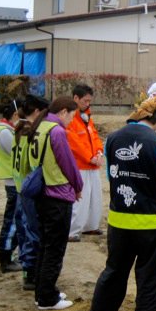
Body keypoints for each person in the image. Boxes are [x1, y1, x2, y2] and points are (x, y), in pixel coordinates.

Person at [83, 97, 156, 311]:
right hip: (150, 223)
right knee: (151, 280)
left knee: (113, 271)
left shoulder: (113, 138)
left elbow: (110, 176)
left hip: (118, 221)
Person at [30, 97, 83, 310]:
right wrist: (77, 185)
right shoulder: (57, 132)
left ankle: (43, 290)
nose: (72, 120)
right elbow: (68, 164)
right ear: (63, 111)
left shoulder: (40, 126)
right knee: (55, 247)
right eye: (72, 115)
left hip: (41, 191)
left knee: (45, 243)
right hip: (57, 193)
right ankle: (47, 298)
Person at [12, 94, 50, 290]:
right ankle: (31, 271)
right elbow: (33, 164)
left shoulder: (17, 130)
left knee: (24, 229)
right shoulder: (29, 133)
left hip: (19, 187)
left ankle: (28, 268)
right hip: (29, 190)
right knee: (33, 231)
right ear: (36, 112)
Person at [66, 84, 104, 242]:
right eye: (85, 100)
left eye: (89, 100)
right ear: (76, 98)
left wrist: (99, 152)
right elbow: (73, 142)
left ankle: (90, 225)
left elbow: (94, 137)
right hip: (80, 165)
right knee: (80, 199)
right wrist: (90, 157)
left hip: (93, 164)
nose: (88, 103)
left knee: (95, 197)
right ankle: (72, 230)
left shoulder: (87, 117)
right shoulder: (70, 118)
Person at [0, 99, 22, 273]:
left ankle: (8, 254)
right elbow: (17, 152)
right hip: (13, 181)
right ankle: (5, 256)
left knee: (15, 219)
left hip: (15, 180)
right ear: (15, 115)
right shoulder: (5, 132)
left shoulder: (6, 130)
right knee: (11, 221)